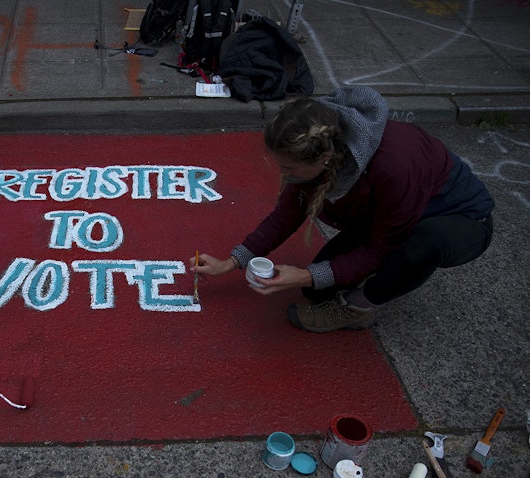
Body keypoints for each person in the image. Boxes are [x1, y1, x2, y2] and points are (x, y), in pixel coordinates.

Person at [192, 86, 494, 332]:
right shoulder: (318, 145)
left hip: (456, 218)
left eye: (288, 167)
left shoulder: (394, 166)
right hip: (385, 217)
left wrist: (306, 274)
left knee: (420, 245)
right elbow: (285, 216)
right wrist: (232, 262)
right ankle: (369, 280)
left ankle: (358, 308)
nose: (284, 173)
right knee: (316, 290)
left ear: (324, 158)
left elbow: (381, 247)